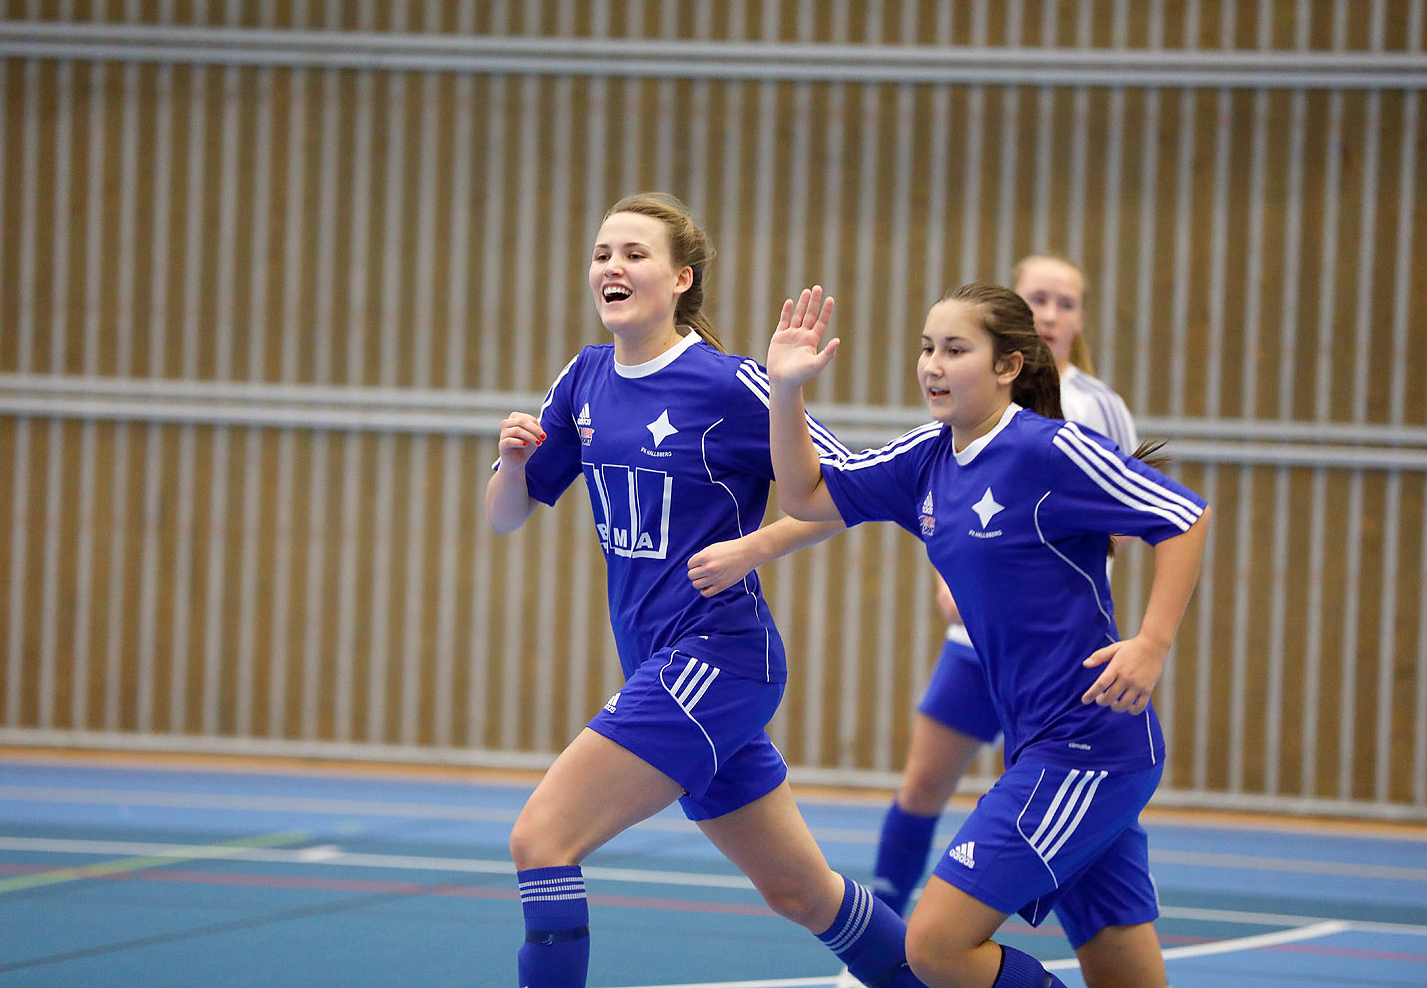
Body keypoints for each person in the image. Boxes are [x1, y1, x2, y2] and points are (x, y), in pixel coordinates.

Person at [486, 193, 929, 988]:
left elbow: (844, 493)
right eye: (600, 254)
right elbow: (505, 518)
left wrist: (752, 547)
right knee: (802, 891)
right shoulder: (585, 378)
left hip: (717, 661)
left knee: (541, 841)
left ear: (682, 278)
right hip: (664, 666)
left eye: (634, 253)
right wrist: (514, 464)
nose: (611, 267)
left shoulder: (732, 387)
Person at [765, 283, 1210, 988]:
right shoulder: (926, 459)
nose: (933, 365)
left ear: (1007, 367)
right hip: (1037, 739)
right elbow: (804, 495)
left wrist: (1151, 645)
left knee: (936, 945)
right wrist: (785, 394)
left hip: (1087, 747)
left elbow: (1183, 515)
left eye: (955, 349)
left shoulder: (1051, 449)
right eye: (926, 348)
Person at [863, 255, 1141, 934]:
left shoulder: (1095, 411)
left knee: (1078, 805)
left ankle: (936, 942)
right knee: (924, 783)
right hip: (975, 648)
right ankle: (880, 941)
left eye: (1065, 302)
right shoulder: (964, 397)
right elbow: (944, 499)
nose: (1050, 313)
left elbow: (1138, 520)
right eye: (1035, 298)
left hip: (1060, 655)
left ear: (1079, 318)